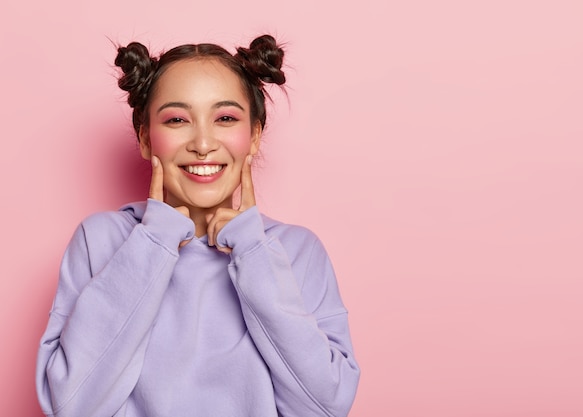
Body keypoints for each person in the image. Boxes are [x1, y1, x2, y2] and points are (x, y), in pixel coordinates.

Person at [36, 34, 360, 417]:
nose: (203, 143)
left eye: (225, 118)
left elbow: (326, 407)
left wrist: (253, 252)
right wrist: (155, 241)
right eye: (176, 120)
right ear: (145, 138)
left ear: (253, 136)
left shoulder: (296, 250)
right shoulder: (102, 240)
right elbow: (72, 405)